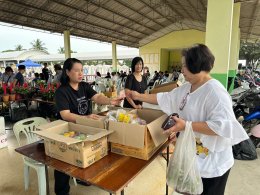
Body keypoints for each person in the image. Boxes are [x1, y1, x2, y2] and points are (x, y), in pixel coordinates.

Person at [127, 44, 248, 195]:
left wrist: (186, 126)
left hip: (213, 166)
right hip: (194, 159)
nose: (182, 70)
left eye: (185, 66)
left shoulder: (215, 92)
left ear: (197, 65)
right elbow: (165, 98)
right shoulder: (187, 87)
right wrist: (137, 96)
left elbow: (222, 127)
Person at [54, 58, 122, 195]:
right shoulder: (62, 91)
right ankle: (61, 191)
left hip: (85, 128)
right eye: (77, 70)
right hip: (69, 130)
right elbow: (65, 115)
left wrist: (110, 100)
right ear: (67, 72)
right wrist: (85, 117)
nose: (81, 73)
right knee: (64, 161)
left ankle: (80, 178)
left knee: (86, 153)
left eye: (82, 70)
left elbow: (97, 97)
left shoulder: (84, 86)